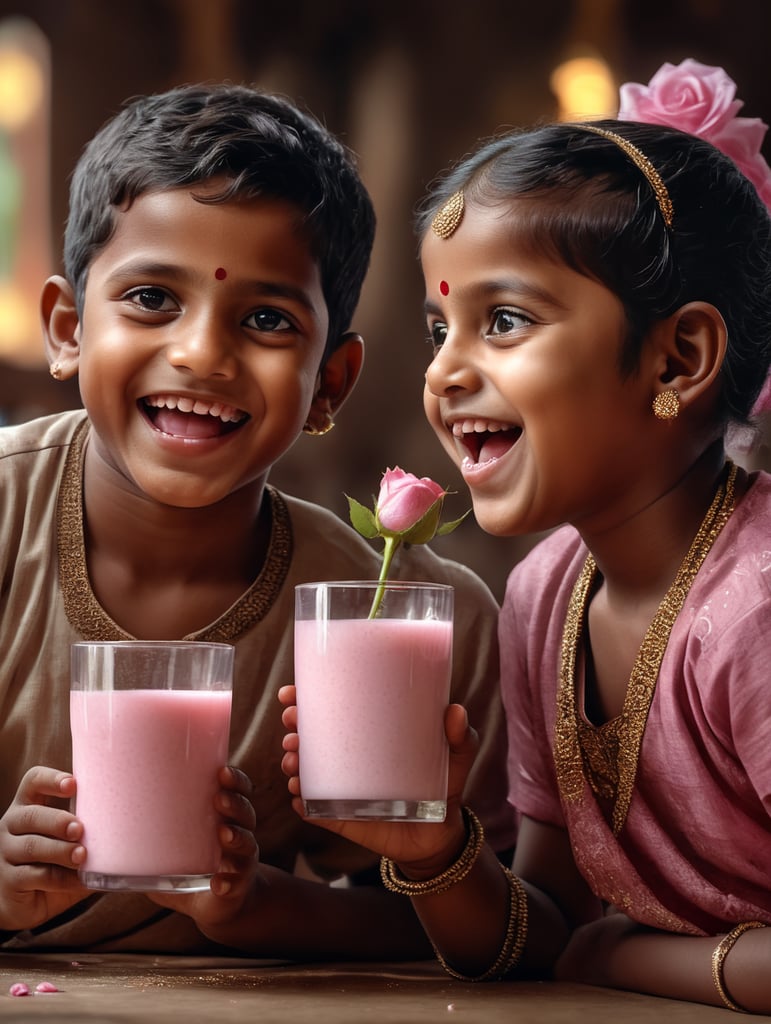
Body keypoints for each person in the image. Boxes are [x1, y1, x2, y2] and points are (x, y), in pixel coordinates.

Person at [280, 60, 771, 1011]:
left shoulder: (753, 613)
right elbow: (543, 922)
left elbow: (580, 949)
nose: (446, 374)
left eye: (502, 321)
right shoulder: (546, 591)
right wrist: (431, 845)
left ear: (680, 356)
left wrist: (618, 957)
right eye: (437, 330)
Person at [0, 82, 517, 957]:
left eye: (267, 319)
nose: (201, 353)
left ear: (332, 383)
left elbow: (484, 931)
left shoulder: (411, 622)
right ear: (66, 329)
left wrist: (253, 907)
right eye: (151, 300)